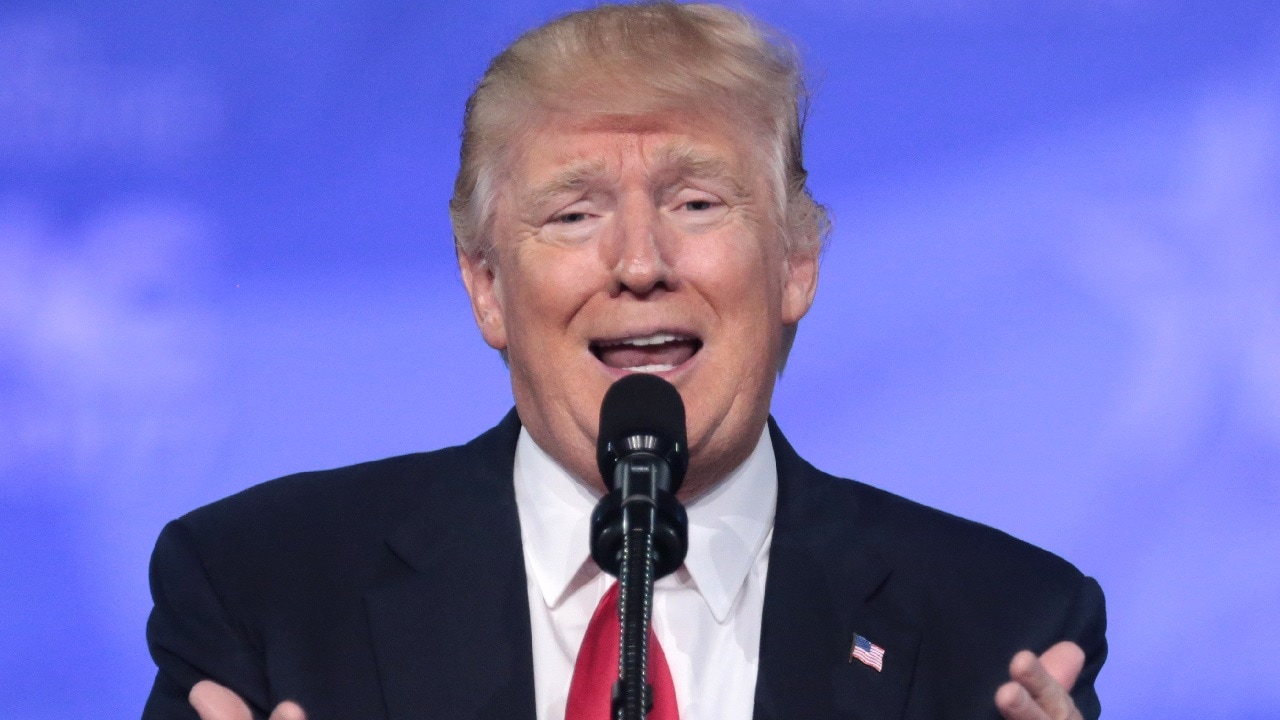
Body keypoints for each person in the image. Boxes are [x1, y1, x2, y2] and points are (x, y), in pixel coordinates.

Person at [144, 3, 1106, 719]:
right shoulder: (265, 589)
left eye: (696, 203)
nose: (640, 264)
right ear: (486, 286)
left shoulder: (1001, 627)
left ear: (796, 265)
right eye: (573, 215)